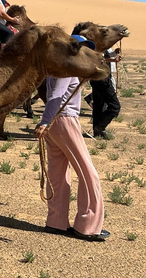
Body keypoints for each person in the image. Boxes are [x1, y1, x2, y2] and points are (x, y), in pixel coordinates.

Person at [34, 35, 110, 242]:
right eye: (81, 49)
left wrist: (46, 122)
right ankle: (88, 226)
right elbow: (56, 97)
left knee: (58, 173)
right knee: (88, 173)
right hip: (64, 121)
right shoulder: (65, 70)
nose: (84, 53)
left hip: (55, 123)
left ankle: (56, 222)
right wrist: (45, 121)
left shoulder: (60, 69)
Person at [86, 47, 122, 138]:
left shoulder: (102, 46)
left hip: (99, 79)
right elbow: (99, 60)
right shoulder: (97, 46)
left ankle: (97, 132)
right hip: (102, 80)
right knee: (114, 106)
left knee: (99, 106)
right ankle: (100, 127)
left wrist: (114, 54)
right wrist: (113, 60)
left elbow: (103, 57)